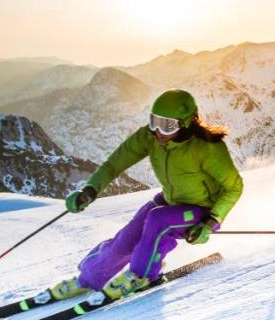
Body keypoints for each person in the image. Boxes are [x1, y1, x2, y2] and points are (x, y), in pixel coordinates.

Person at [45, 89, 243, 302]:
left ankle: (141, 275)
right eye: (154, 121)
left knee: (159, 220)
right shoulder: (149, 137)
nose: (158, 131)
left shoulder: (208, 148)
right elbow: (114, 164)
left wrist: (211, 222)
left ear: (186, 123)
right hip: (170, 201)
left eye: (166, 125)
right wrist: (90, 190)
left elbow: (234, 187)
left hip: (202, 211)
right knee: (126, 239)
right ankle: (88, 278)